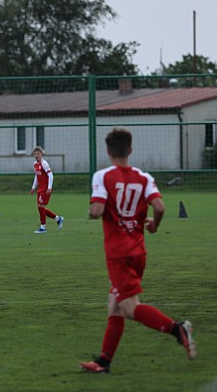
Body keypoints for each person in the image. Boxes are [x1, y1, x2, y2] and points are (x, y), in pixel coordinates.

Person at [80, 128, 196, 374]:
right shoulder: (144, 177)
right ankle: (104, 361)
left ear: (108, 151)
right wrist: (154, 224)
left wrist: (92, 212)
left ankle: (178, 329)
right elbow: (161, 207)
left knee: (130, 307)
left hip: (118, 253)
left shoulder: (102, 176)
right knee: (115, 304)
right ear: (130, 150)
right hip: (138, 252)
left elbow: (97, 211)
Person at [30, 146, 64, 233]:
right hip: (40, 188)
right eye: (35, 154)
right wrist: (33, 187)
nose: (37, 155)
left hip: (45, 188)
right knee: (40, 208)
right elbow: (36, 176)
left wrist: (49, 187)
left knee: (41, 207)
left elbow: (51, 175)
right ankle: (58, 218)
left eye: (38, 154)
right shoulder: (35, 164)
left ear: (41, 154)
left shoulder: (44, 163)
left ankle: (43, 227)